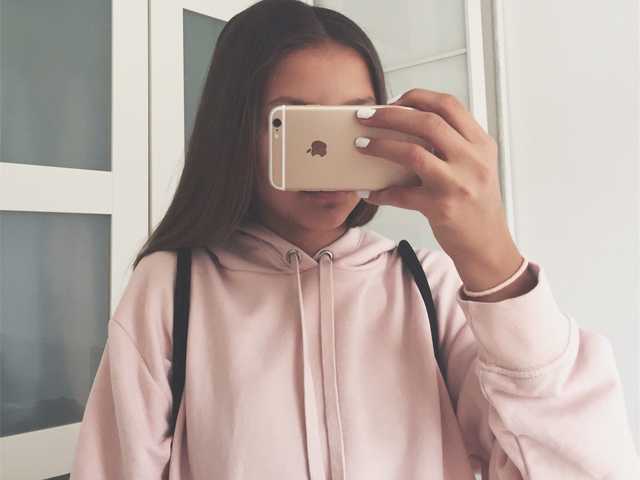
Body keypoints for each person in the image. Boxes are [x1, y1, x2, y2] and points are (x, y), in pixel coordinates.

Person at [70, 0, 640, 478]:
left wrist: (493, 259)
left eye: (353, 121)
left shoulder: (430, 284)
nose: (328, 157)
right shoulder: (171, 288)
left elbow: (583, 466)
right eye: (294, 124)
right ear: (236, 131)